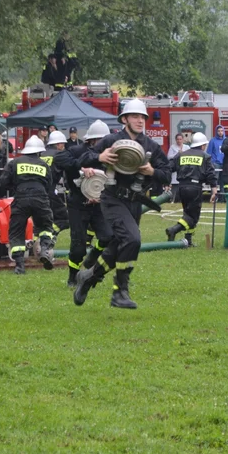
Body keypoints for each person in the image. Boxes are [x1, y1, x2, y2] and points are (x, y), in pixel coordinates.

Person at [73, 99, 171, 309]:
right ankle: (120, 291)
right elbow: (82, 159)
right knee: (133, 239)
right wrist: (100, 156)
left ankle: (88, 278)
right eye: (135, 116)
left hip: (135, 201)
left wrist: (152, 171)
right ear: (124, 119)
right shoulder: (110, 139)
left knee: (119, 246)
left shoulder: (151, 146)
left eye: (142, 117)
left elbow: (167, 174)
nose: (140, 120)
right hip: (113, 198)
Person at [55, 120, 114, 287]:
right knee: (78, 245)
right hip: (78, 204)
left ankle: (93, 258)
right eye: (100, 141)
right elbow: (60, 159)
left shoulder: (110, 154)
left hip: (99, 205)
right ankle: (73, 277)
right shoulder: (77, 150)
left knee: (108, 237)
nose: (103, 145)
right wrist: (81, 167)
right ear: (91, 140)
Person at [0, 135, 56, 275]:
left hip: (21, 198)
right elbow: (49, 185)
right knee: (45, 227)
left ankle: (20, 266)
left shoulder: (14, 162)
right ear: (39, 152)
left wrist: (15, 187)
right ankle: (45, 250)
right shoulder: (43, 164)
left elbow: (3, 182)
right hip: (40, 198)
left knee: (17, 231)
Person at [165, 132, 219, 246]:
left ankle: (188, 240)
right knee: (193, 216)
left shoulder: (181, 155)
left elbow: (169, 167)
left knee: (188, 213)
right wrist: (214, 190)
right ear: (203, 145)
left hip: (181, 188)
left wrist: (166, 182)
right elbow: (211, 174)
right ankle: (173, 230)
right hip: (195, 188)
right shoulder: (205, 156)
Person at [42, 130, 71, 233]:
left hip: (37, 192)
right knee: (64, 219)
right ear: (58, 144)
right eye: (63, 144)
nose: (63, 147)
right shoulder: (59, 155)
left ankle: (38, 239)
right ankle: (49, 234)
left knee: (43, 220)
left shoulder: (42, 153)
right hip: (49, 192)